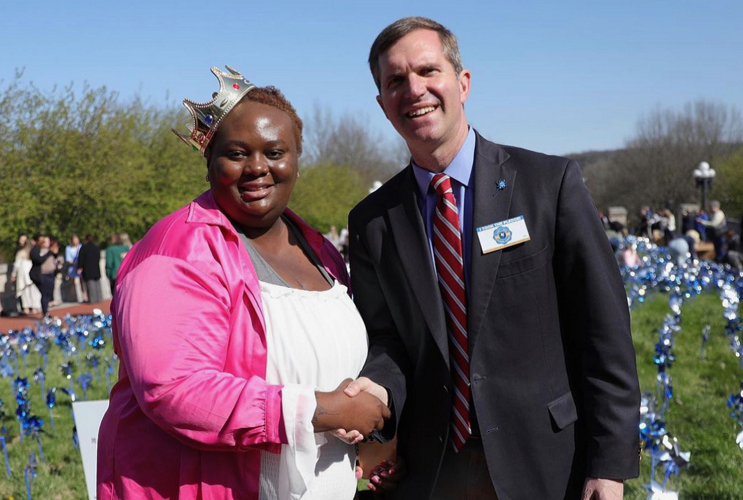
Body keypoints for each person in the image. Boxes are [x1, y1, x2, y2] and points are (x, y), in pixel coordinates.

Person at [345, 17, 640, 500]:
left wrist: (608, 464)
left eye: (427, 71)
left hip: (548, 461)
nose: (414, 89)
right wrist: (376, 395)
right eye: (395, 81)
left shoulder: (550, 185)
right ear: (383, 104)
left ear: (463, 83)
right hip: (433, 469)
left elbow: (603, 329)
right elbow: (387, 341)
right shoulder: (373, 220)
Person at [97, 67, 389, 500]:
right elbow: (174, 388)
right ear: (210, 160)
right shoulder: (176, 249)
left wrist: (368, 425)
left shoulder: (320, 251)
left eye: (274, 151)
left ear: (296, 158)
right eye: (236, 153)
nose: (257, 168)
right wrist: (319, 411)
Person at [29, 234, 60, 318]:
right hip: (42, 275)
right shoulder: (37, 250)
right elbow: (38, 260)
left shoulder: (49, 250)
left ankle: (47, 311)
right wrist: (49, 253)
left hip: (50, 274)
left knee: (48, 294)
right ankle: (45, 313)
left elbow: (54, 259)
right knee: (44, 294)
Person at [10, 238, 41, 315]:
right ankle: (33, 307)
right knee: (33, 291)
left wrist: (13, 274)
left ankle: (27, 307)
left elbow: (16, 265)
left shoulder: (22, 253)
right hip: (29, 273)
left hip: (24, 274)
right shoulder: (29, 253)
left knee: (26, 292)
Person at [77, 234, 103, 303]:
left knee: (90, 286)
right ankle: (99, 299)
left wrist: (80, 266)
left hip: (88, 269)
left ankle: (92, 300)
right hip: (96, 268)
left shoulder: (84, 248)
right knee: (97, 285)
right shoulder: (96, 247)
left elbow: (81, 258)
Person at [64, 234, 85, 302]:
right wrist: (75, 263)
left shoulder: (81, 246)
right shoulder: (68, 248)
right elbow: (68, 259)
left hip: (80, 266)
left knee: (82, 281)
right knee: (72, 282)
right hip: (73, 267)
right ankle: (73, 297)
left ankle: (84, 296)